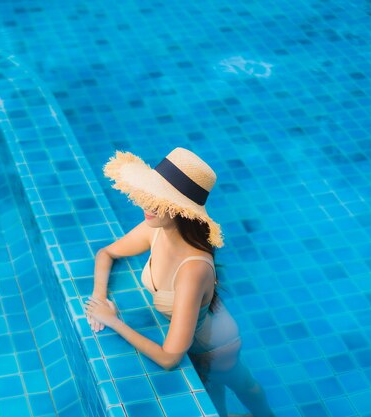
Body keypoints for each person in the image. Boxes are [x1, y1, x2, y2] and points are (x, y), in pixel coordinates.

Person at [85, 148, 274, 417]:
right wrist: (99, 296)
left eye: (161, 200)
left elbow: (169, 359)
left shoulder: (193, 270)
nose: (147, 205)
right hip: (200, 333)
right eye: (150, 194)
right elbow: (106, 253)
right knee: (219, 398)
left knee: (243, 388)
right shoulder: (157, 230)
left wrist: (113, 321)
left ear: (182, 210)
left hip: (217, 346)